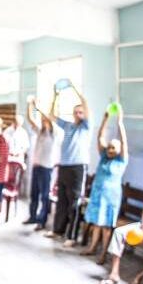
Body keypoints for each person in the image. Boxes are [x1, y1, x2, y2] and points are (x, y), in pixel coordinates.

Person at [45, 86, 91, 247]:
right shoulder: (68, 126)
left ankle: (71, 236)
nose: (78, 114)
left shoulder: (85, 127)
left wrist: (74, 88)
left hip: (78, 168)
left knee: (74, 202)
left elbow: (84, 103)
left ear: (84, 114)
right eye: (76, 112)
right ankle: (58, 230)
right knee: (62, 200)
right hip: (64, 166)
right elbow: (51, 116)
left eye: (81, 112)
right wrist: (55, 96)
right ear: (73, 114)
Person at [80, 110, 128, 259]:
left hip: (110, 199)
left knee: (107, 227)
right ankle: (92, 248)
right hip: (97, 195)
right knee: (96, 224)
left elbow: (124, 142)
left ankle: (103, 254)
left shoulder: (121, 161)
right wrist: (105, 119)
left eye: (114, 147)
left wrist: (119, 122)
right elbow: (99, 137)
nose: (110, 149)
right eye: (109, 147)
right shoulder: (103, 158)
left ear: (119, 150)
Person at [23, 98, 61, 230]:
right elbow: (29, 118)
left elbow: (49, 118)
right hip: (36, 166)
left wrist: (38, 108)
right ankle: (32, 216)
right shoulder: (40, 131)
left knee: (45, 196)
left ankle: (42, 220)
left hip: (46, 169)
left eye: (46, 121)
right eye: (43, 121)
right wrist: (29, 105)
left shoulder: (53, 133)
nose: (44, 122)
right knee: (34, 194)